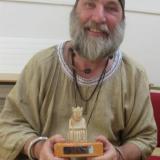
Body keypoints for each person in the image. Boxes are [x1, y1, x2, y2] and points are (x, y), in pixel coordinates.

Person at [0, 0, 157, 160]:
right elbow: (10, 125)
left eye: (111, 8)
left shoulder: (134, 74)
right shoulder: (42, 65)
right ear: (74, 11)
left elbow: (145, 137)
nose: (98, 17)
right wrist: (39, 149)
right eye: (89, 4)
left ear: (123, 19)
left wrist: (118, 155)